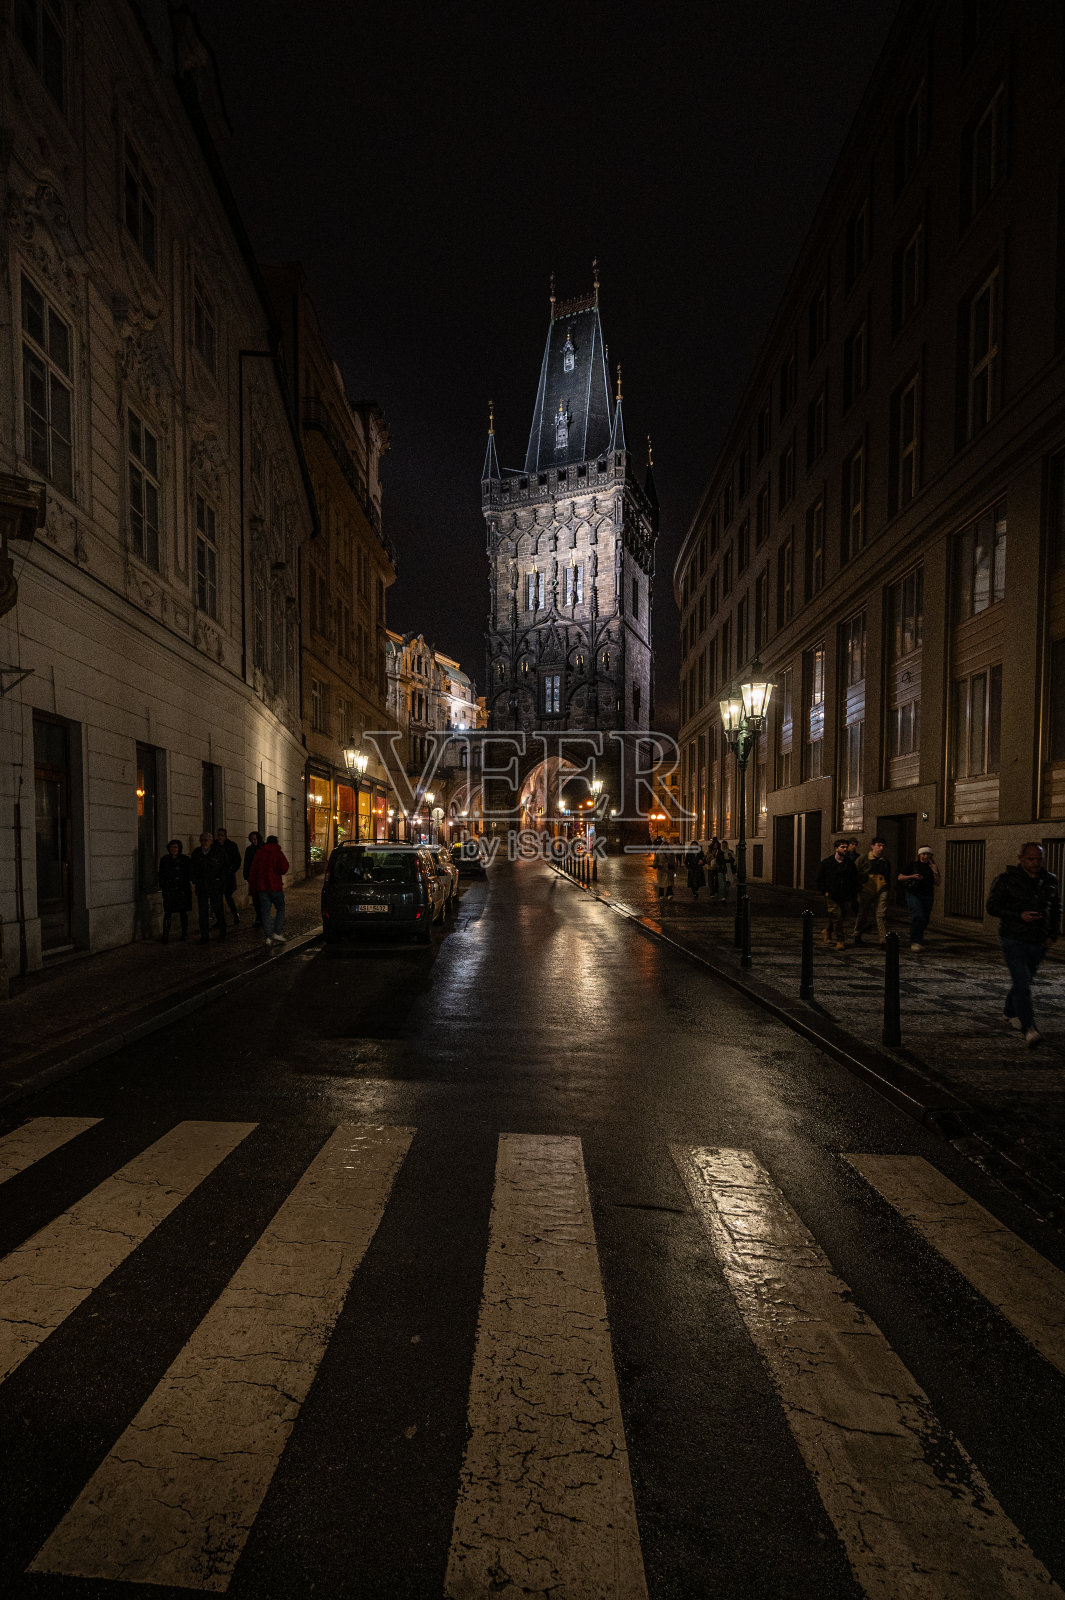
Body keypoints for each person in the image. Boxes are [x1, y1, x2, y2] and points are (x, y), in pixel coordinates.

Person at [987, 842, 1060, 1047]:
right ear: (1021, 858)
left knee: (1024, 980)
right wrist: (1019, 915)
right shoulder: (1006, 879)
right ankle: (1029, 1028)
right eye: (1031, 859)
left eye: (1039, 859)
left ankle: (1009, 1011)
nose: (1036, 863)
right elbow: (992, 907)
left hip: (1038, 939)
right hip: (1013, 938)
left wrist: (1052, 934)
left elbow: (1056, 908)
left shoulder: (1050, 880)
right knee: (1022, 982)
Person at [816, 838, 859, 950]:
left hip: (844, 895)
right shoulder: (827, 863)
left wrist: (853, 892)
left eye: (846, 847)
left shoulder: (849, 863)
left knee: (841, 916)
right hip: (832, 894)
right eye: (842, 847)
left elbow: (854, 879)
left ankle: (827, 930)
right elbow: (820, 879)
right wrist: (825, 891)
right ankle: (840, 940)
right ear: (836, 848)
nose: (845, 849)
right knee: (837, 916)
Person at [248, 833, 290, 948]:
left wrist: (253, 887)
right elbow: (284, 868)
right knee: (280, 908)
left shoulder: (259, 853)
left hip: (262, 888)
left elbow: (253, 871)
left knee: (265, 912)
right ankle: (277, 932)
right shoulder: (278, 852)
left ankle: (268, 937)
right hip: (275, 887)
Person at [898, 846, 941, 952]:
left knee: (925, 919)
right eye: (923, 854)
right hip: (914, 894)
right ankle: (915, 941)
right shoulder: (913, 865)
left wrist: (935, 872)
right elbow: (900, 877)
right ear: (919, 855)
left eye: (928, 854)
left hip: (928, 895)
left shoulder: (933, 867)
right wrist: (912, 876)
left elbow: (938, 883)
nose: (925, 856)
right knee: (918, 916)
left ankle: (919, 939)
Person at [853, 836, 893, 946]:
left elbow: (888, 875)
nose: (881, 848)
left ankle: (883, 939)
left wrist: (888, 887)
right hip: (867, 889)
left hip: (882, 888)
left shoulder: (885, 860)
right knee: (863, 913)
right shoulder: (864, 858)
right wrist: (858, 886)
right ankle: (857, 933)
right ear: (872, 846)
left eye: (883, 846)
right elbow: (855, 872)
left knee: (881, 914)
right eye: (879, 846)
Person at [189, 831, 227, 943]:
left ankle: (223, 932)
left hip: (215, 885)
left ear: (211, 841)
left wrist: (220, 878)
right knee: (203, 912)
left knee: (218, 909)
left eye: (206, 840)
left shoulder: (219, 852)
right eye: (202, 840)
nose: (204, 842)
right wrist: (195, 879)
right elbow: (192, 867)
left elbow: (225, 867)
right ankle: (204, 935)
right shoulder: (197, 852)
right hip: (202, 886)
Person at [158, 839, 192, 942]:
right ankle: (165, 934)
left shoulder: (185, 859)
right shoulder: (165, 859)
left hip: (182, 890)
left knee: (183, 912)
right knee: (168, 912)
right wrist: (164, 886)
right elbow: (161, 874)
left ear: (179, 848)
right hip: (169, 890)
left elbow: (189, 873)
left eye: (175, 847)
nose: (173, 849)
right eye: (172, 847)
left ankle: (184, 933)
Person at [215, 827, 242, 927]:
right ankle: (220, 919)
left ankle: (235, 915)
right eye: (219, 835)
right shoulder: (214, 845)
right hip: (218, 876)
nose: (220, 837)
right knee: (218, 899)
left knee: (228, 897)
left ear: (225, 836)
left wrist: (231, 870)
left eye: (222, 835)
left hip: (228, 876)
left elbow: (237, 860)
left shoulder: (232, 845)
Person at [244, 831, 263, 920]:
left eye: (255, 839)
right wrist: (246, 875)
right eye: (252, 839)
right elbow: (246, 863)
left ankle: (262, 917)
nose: (253, 841)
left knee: (262, 898)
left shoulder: (263, 848)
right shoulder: (249, 849)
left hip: (262, 877)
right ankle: (259, 916)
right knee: (255, 898)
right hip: (253, 877)